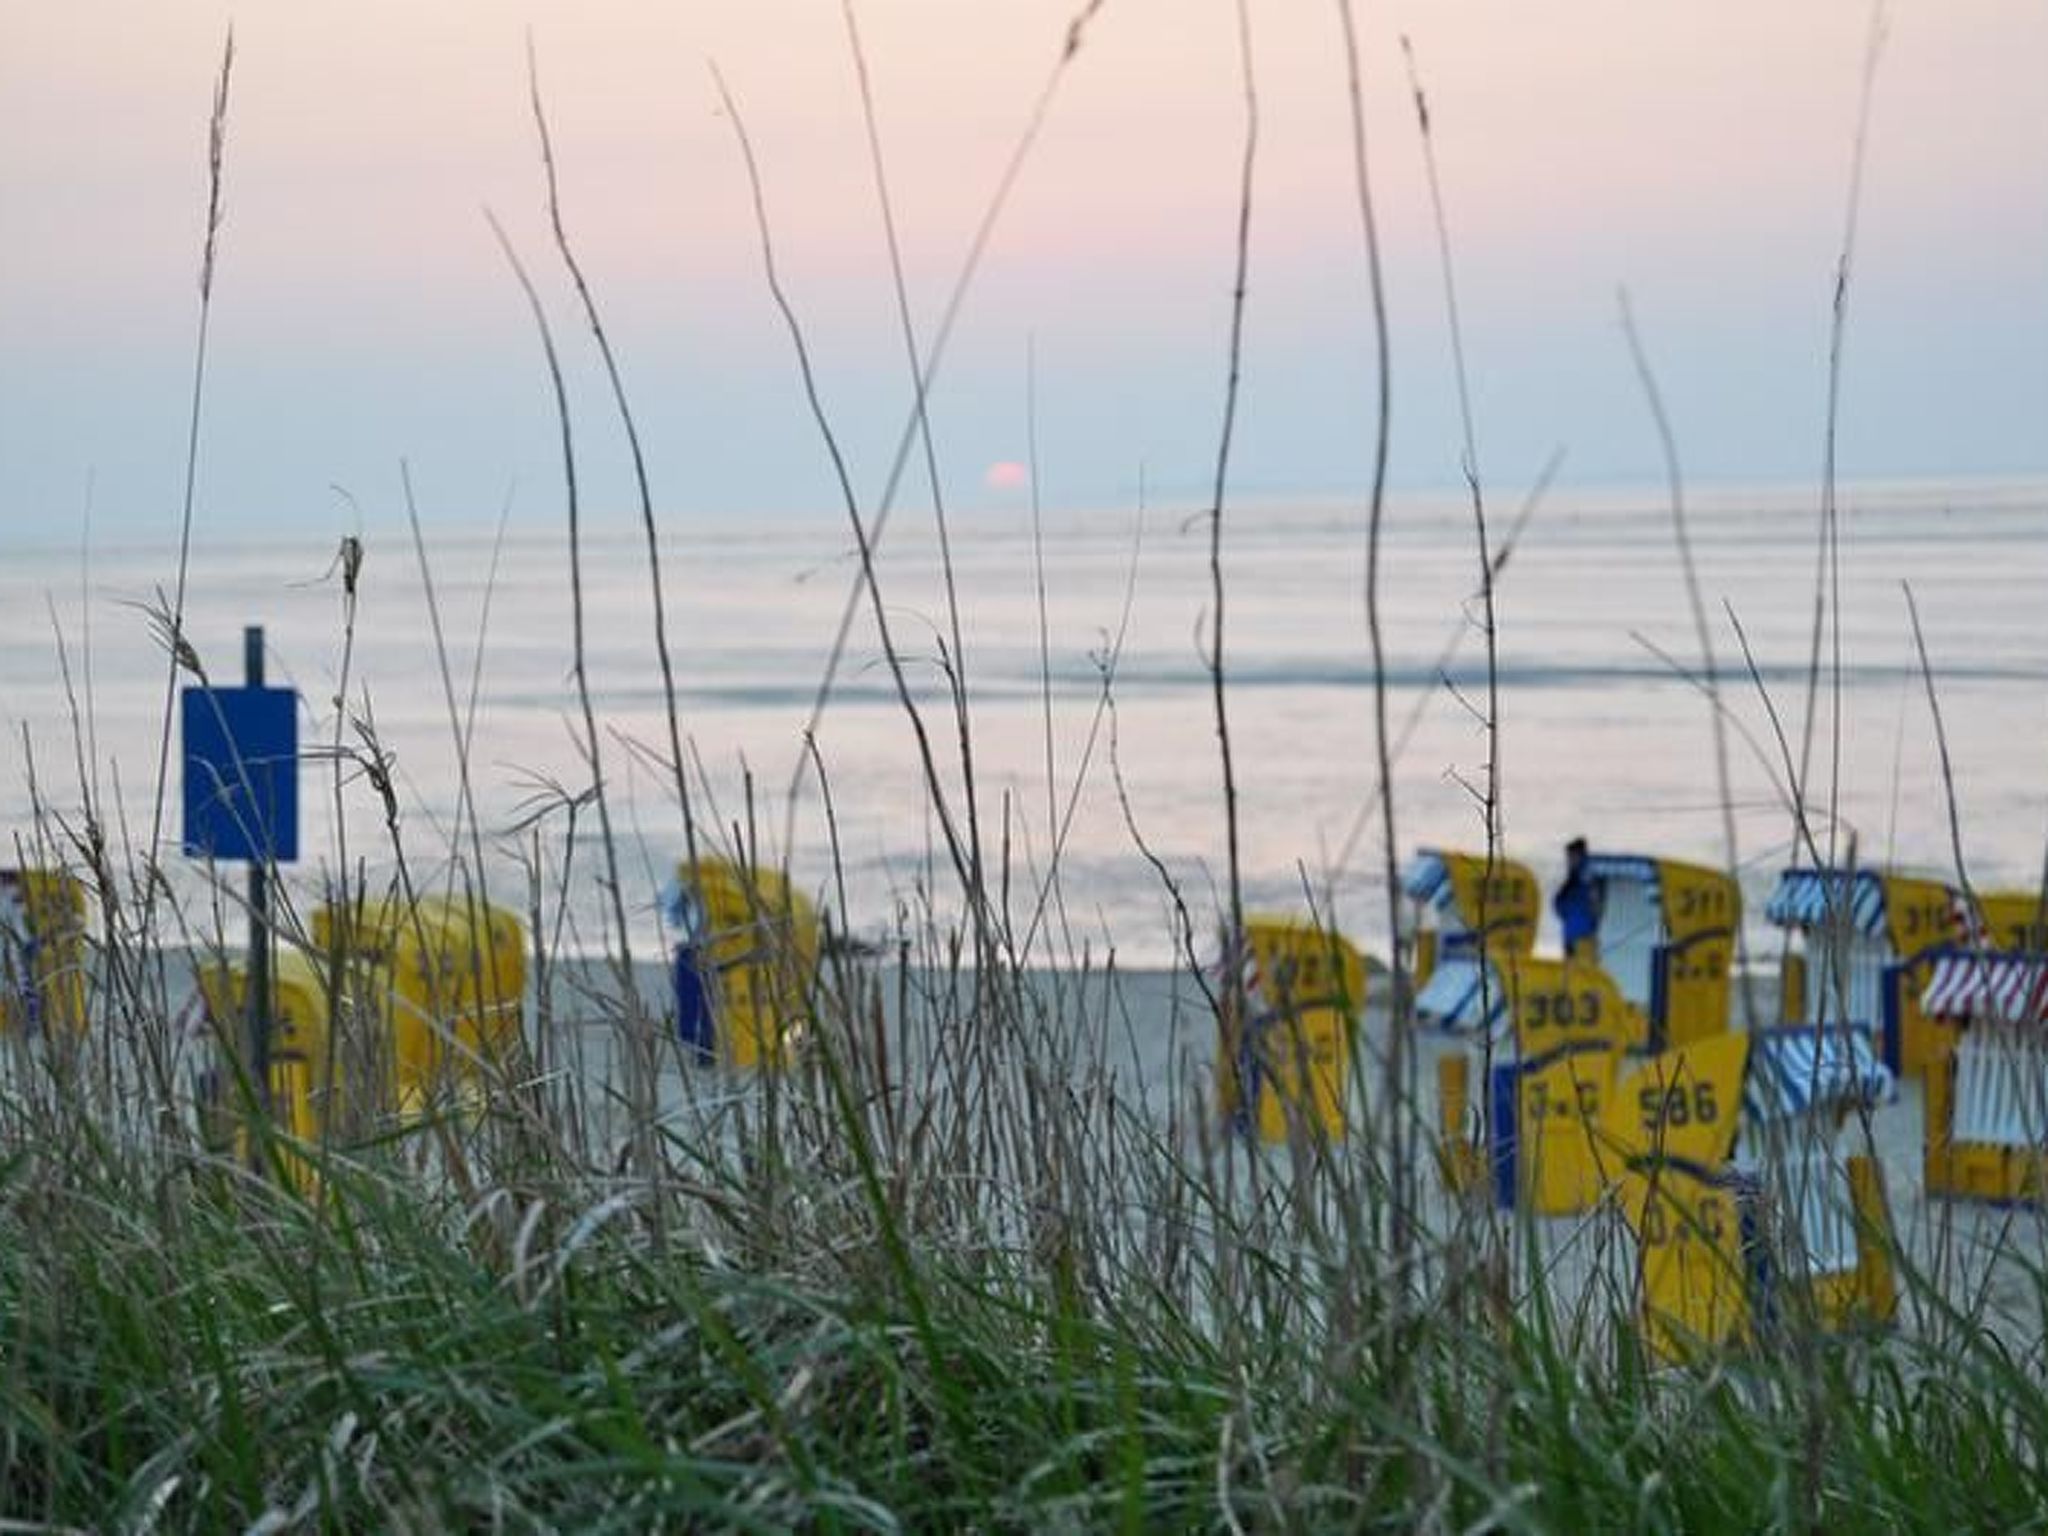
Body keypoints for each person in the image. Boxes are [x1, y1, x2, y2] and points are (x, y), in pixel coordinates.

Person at [1554, 836, 1602, 961]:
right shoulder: (1574, 876)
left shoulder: (1586, 875)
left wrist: (1594, 926)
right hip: (1572, 933)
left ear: (1578, 855)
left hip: (1582, 935)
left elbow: (1595, 902)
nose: (1568, 860)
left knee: (1581, 972)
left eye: (1570, 857)